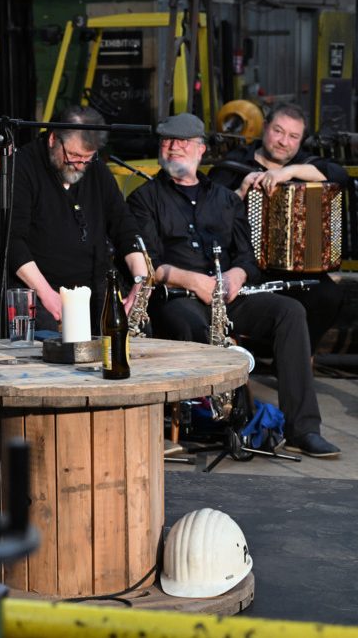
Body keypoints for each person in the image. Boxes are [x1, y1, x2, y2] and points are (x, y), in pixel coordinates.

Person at [127, 112, 340, 458]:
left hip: (226, 294)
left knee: (290, 312)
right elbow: (147, 263)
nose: (174, 147)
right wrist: (193, 280)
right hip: (178, 295)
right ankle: (230, 421)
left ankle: (303, 429)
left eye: (183, 142)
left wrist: (236, 276)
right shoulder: (143, 198)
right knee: (190, 322)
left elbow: (247, 259)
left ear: (200, 149)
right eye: (167, 141)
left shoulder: (225, 199)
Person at [209, 102, 346, 354]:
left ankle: (299, 357)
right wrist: (241, 191)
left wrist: (289, 171)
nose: (284, 142)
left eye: (293, 136)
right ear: (264, 128)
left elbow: (338, 175)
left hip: (292, 269)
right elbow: (208, 212)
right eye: (278, 131)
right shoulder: (234, 164)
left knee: (329, 296)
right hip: (242, 265)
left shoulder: (305, 164)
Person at [1, 106, 147, 333]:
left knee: (133, 332)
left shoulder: (96, 169)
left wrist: (141, 280)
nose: (80, 165)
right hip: (39, 290)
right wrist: (47, 294)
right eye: (74, 156)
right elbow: (12, 242)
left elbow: (124, 225)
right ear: (53, 139)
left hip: (94, 287)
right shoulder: (20, 168)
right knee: (48, 340)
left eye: (88, 158)